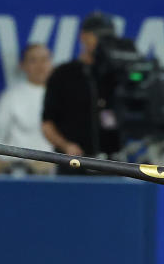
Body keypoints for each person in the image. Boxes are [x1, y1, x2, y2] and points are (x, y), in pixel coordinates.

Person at [42, 13, 122, 170]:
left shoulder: (116, 75)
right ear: (83, 36)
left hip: (114, 165)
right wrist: (66, 146)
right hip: (74, 164)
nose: (101, 42)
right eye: (97, 36)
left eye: (107, 37)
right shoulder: (63, 74)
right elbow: (47, 123)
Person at [0, 44, 55, 156]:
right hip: (21, 168)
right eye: (33, 60)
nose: (40, 66)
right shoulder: (10, 97)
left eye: (44, 59)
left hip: (58, 169)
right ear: (22, 65)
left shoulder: (63, 95)